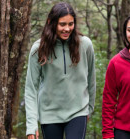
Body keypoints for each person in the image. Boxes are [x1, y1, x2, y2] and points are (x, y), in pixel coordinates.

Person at [25, 2, 96, 139]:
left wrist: (89, 109)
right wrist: (31, 125)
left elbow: (91, 79)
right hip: (49, 114)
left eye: (70, 24)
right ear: (51, 22)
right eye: (62, 24)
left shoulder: (85, 45)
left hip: (78, 112)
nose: (67, 29)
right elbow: (31, 88)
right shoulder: (38, 49)